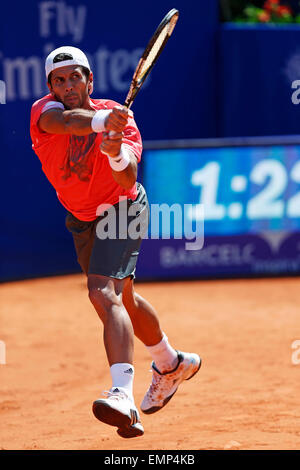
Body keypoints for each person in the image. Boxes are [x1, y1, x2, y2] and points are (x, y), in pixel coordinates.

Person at [30, 46, 201, 439]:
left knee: (101, 291)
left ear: (90, 79)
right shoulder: (45, 113)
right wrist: (102, 122)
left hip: (122, 208)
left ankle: (121, 394)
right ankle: (170, 362)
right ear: (50, 87)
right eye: (59, 79)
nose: (68, 85)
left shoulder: (123, 120)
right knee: (123, 300)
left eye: (76, 76)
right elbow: (66, 123)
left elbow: (128, 179)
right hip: (82, 219)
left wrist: (116, 154)